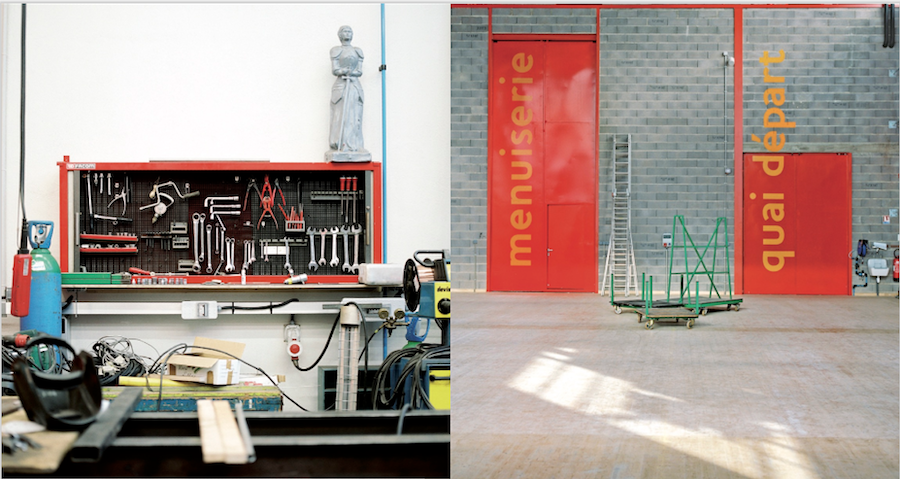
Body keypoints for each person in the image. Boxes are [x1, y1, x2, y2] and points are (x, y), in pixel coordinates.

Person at [329, 25, 365, 153]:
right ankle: (340, 144)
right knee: (341, 115)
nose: (347, 33)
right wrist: (343, 71)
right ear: (340, 35)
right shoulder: (336, 50)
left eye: (350, 31)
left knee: (355, 115)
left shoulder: (357, 51)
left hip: (354, 85)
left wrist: (352, 73)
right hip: (342, 85)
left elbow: (359, 71)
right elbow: (335, 69)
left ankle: (354, 145)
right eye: (344, 31)